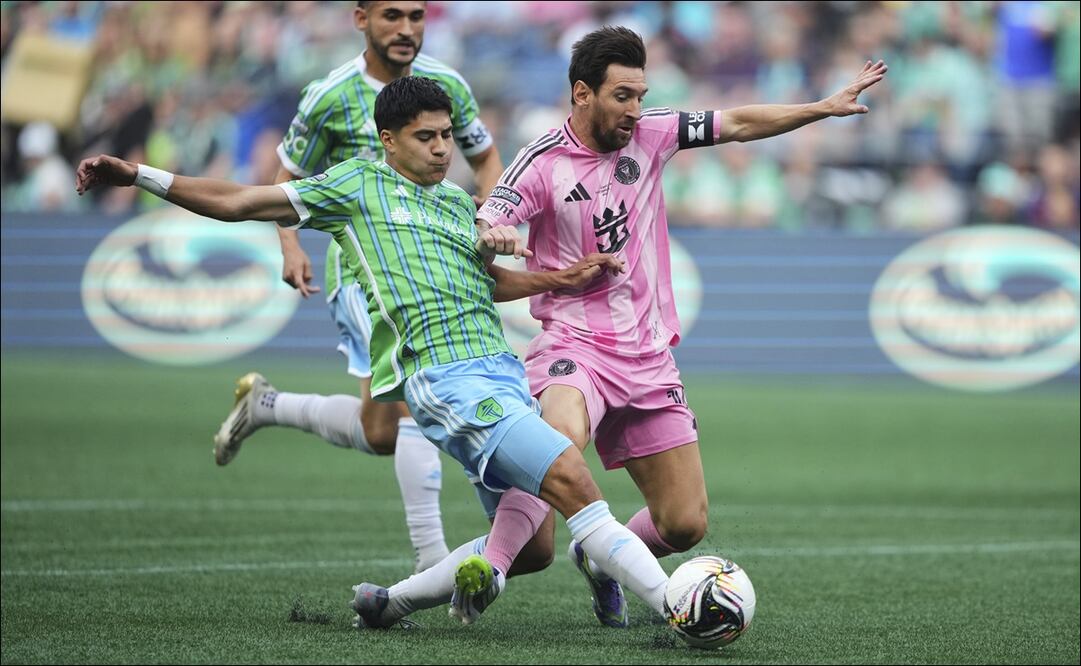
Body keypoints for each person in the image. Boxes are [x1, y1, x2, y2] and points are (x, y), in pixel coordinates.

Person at [75, 75, 668, 630]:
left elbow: (487, 286)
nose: (442, 149)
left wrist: (561, 278)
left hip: (502, 374)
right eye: (426, 137)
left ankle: (388, 604)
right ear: (389, 139)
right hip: (446, 379)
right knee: (572, 475)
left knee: (530, 548)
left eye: (446, 136)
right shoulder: (354, 187)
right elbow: (237, 201)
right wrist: (137, 175)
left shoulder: (460, 205)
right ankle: (679, 604)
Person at [472, 26, 888, 627]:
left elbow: (739, 122)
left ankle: (598, 554)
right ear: (582, 93)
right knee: (558, 441)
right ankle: (491, 568)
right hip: (573, 346)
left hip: (647, 359)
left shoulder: (655, 133)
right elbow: (488, 227)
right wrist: (496, 239)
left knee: (685, 523)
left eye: (641, 94)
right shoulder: (541, 163)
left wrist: (821, 108)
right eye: (622, 96)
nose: (635, 109)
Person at [213, 0, 505, 575]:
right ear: (361, 19)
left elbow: (486, 154)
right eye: (392, 16)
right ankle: (433, 565)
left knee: (379, 431)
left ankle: (266, 406)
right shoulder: (329, 95)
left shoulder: (447, 84)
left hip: (436, 267)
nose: (406, 29)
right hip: (363, 276)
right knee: (412, 414)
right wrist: (291, 244)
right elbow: (289, 177)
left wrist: (492, 215)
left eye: (417, 17)